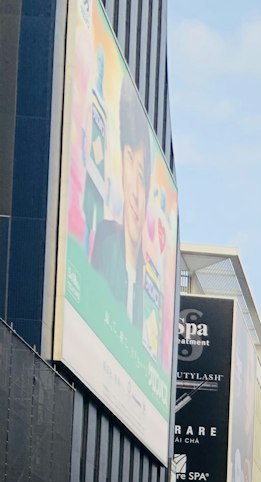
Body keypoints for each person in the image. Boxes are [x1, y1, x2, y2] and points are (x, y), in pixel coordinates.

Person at [91, 82, 150, 331]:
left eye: (142, 178)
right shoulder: (106, 242)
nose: (136, 194)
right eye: (132, 169)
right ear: (124, 163)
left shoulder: (147, 284)